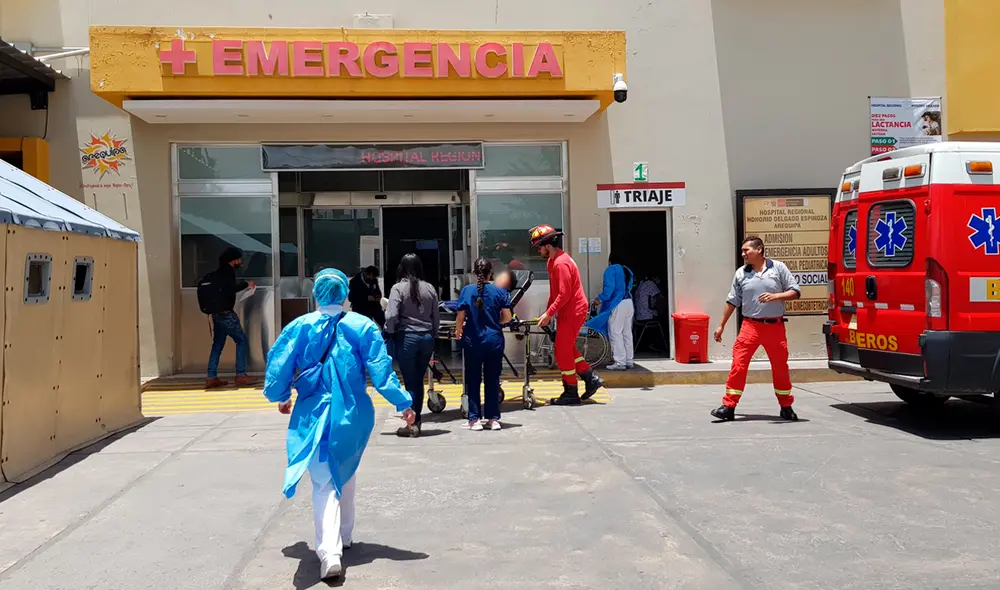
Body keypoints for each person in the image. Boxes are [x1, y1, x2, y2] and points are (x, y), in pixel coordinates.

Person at [263, 268, 416, 581]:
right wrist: (404, 403)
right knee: (345, 468)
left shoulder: (299, 326)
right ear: (345, 293)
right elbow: (381, 371)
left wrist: (281, 396)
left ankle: (330, 552)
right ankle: (344, 536)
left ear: (317, 293)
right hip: (352, 414)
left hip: (312, 412)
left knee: (324, 482)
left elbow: (279, 365)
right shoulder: (362, 326)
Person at [711, 236, 802, 422]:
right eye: (742, 251)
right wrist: (721, 325)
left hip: (774, 327)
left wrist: (776, 296)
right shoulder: (741, 273)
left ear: (759, 250)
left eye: (746, 250)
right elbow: (732, 301)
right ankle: (728, 407)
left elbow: (795, 291)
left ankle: (786, 406)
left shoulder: (778, 268)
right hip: (750, 326)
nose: (743, 254)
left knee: (780, 368)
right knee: (739, 364)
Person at [528, 224, 605, 405]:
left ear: (548, 246)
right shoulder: (552, 261)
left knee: (562, 351)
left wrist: (549, 313)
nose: (538, 251)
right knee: (567, 347)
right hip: (567, 310)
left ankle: (571, 391)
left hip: (573, 310)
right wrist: (548, 313)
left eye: (539, 247)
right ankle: (590, 378)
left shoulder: (561, 263)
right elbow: (555, 293)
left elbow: (565, 293)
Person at [385, 254, 440, 437]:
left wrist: (390, 331)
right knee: (418, 380)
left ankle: (412, 423)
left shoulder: (397, 288)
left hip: (407, 338)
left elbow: (391, 315)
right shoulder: (430, 288)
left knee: (410, 382)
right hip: (426, 339)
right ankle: (417, 421)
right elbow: (436, 317)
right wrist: (432, 335)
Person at [455, 258, 513, 431]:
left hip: (473, 341)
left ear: (474, 273)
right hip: (494, 341)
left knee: (473, 379)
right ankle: (493, 418)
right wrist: (497, 323)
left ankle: (474, 419)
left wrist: (458, 330)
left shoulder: (467, 291)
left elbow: (460, 316)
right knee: (492, 379)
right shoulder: (500, 292)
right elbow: (508, 317)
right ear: (491, 273)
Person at [206, 247, 257, 389]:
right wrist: (247, 284)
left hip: (216, 315)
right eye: (239, 259)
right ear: (233, 260)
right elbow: (230, 289)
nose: (240, 262)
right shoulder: (227, 273)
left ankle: (211, 377)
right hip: (227, 314)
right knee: (241, 340)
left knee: (217, 345)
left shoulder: (218, 273)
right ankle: (241, 374)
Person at [586, 251, 635, 370]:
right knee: (627, 333)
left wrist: (599, 299)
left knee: (615, 332)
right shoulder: (628, 271)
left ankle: (619, 362)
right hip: (629, 303)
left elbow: (609, 289)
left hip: (618, 304)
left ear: (610, 260)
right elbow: (628, 287)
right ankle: (629, 360)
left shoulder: (611, 269)